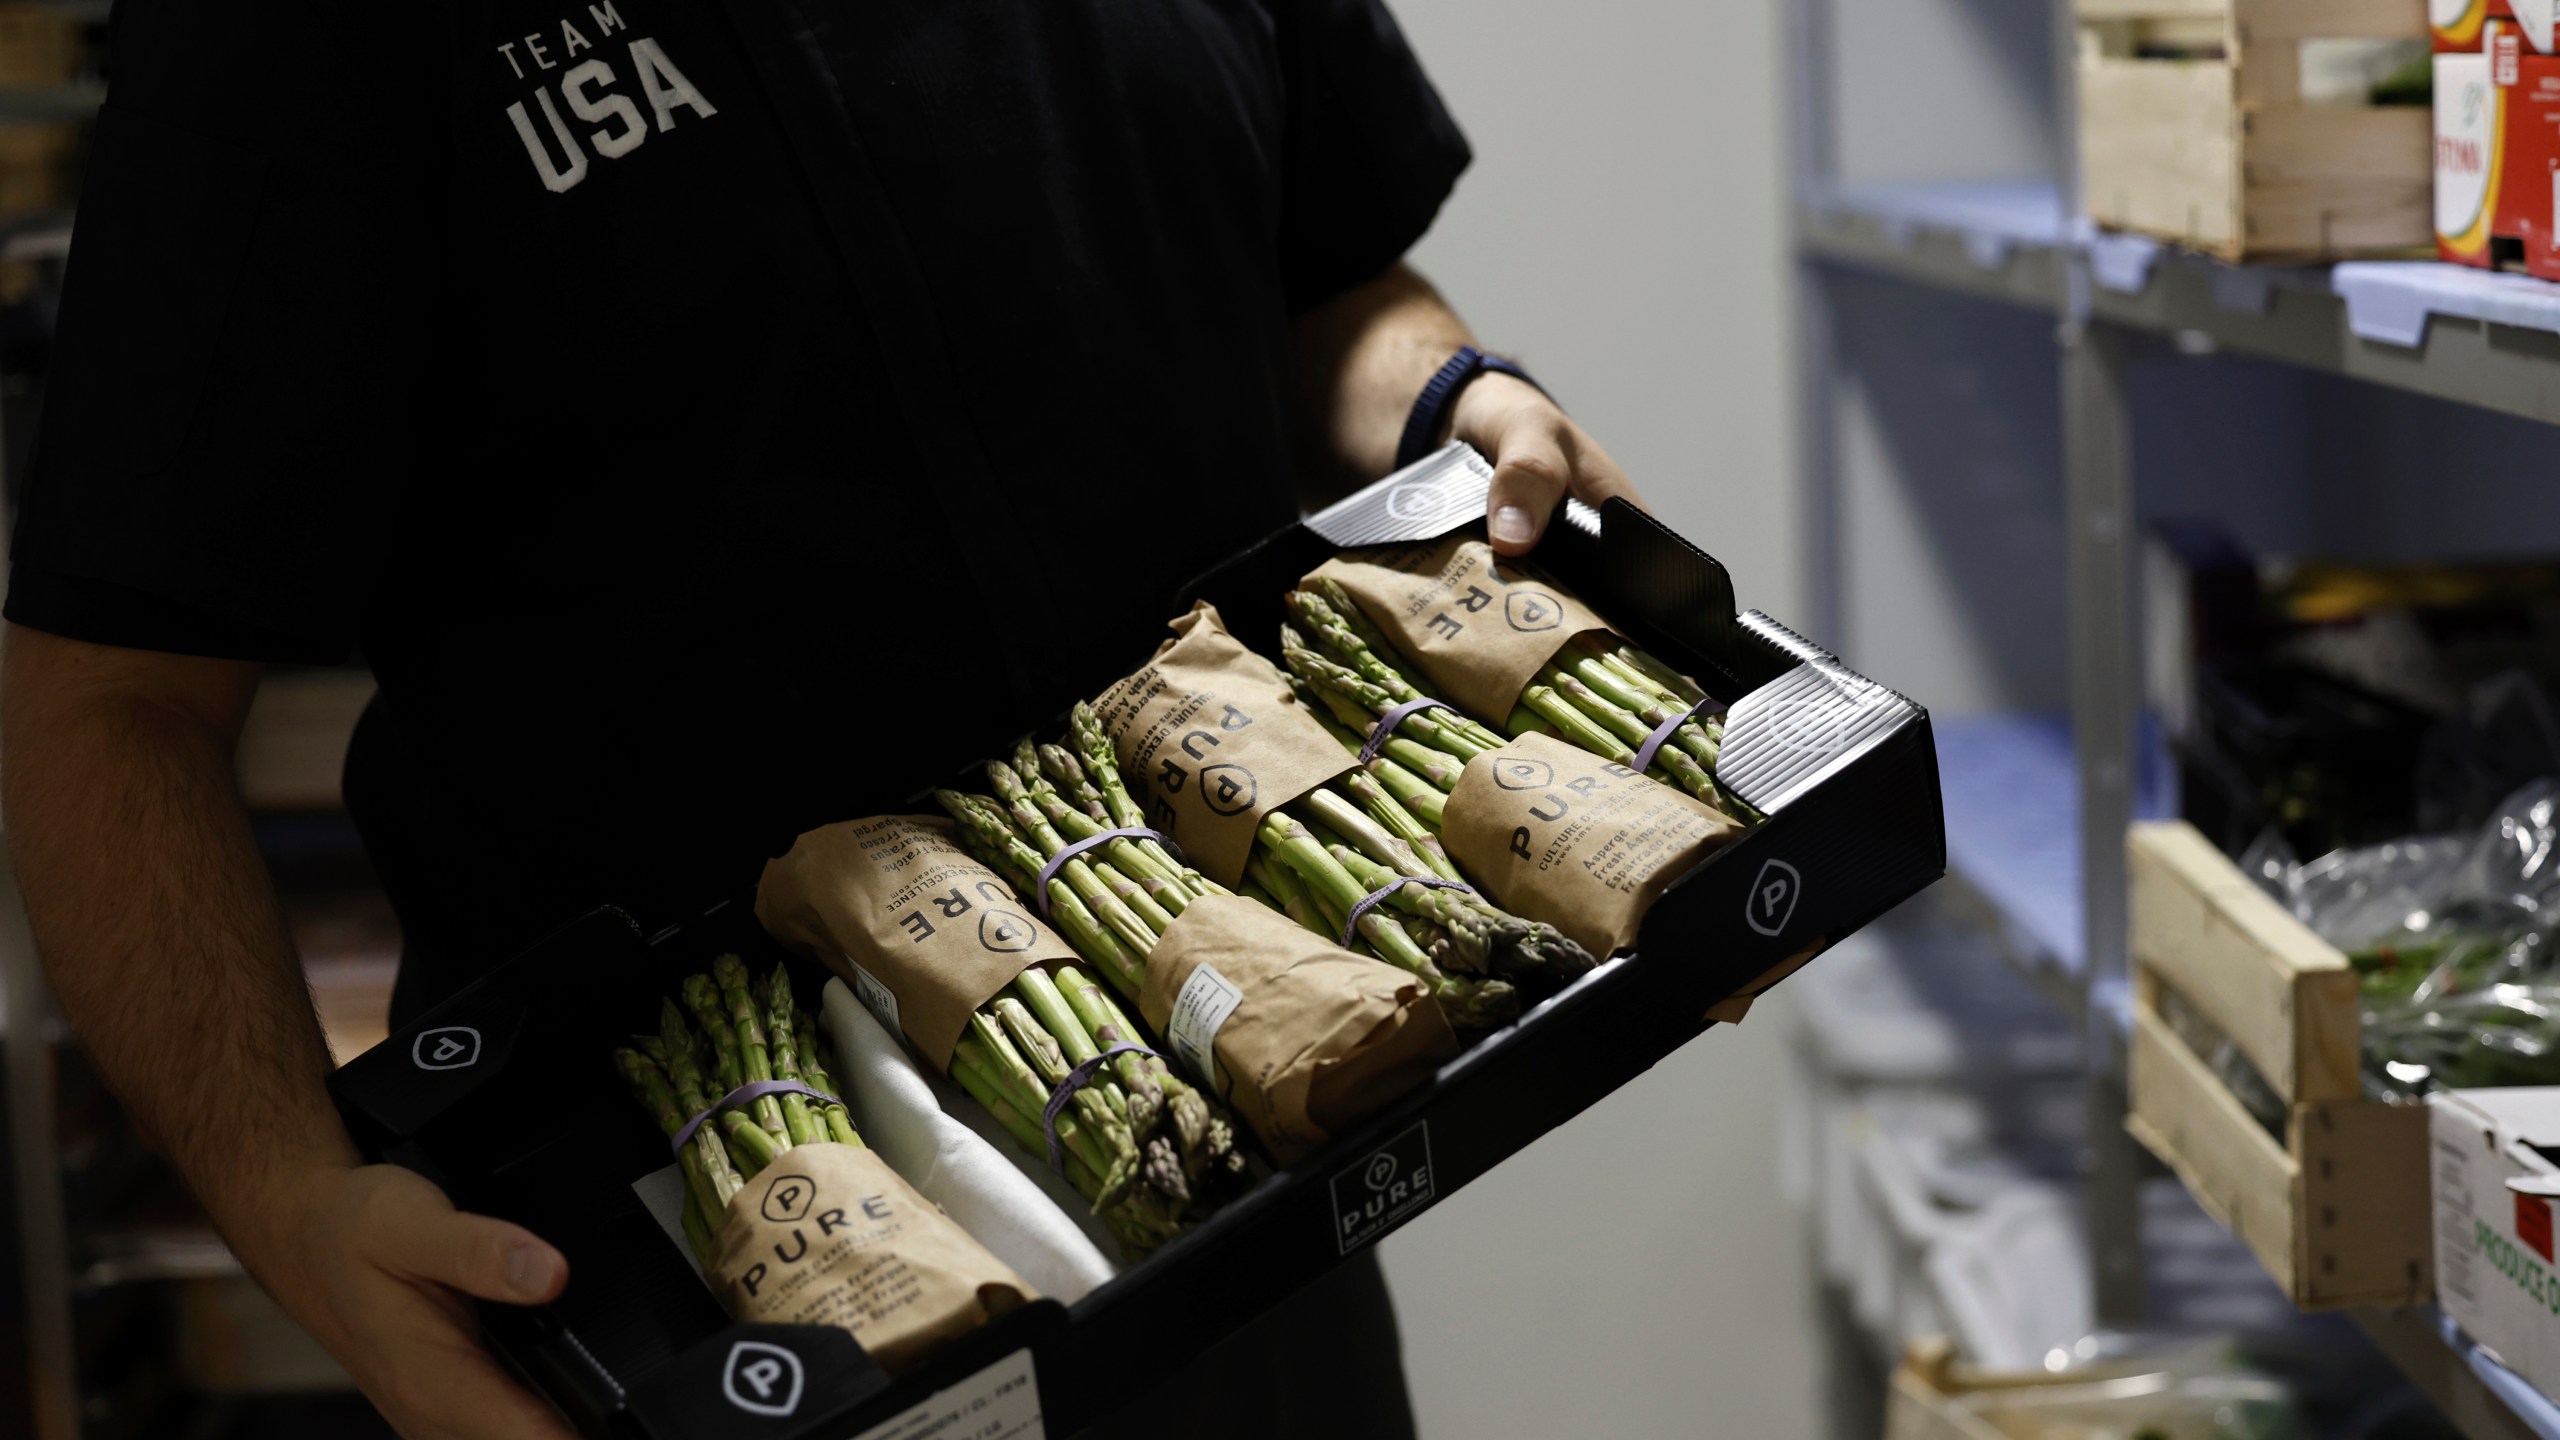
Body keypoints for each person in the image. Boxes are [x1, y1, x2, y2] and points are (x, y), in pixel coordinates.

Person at [0, 0, 1638, 1436]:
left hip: (1240, 1137)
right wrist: (296, 1214)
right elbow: (111, 702)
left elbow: (1328, 276)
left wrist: (1452, 402)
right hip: (721, 1250)